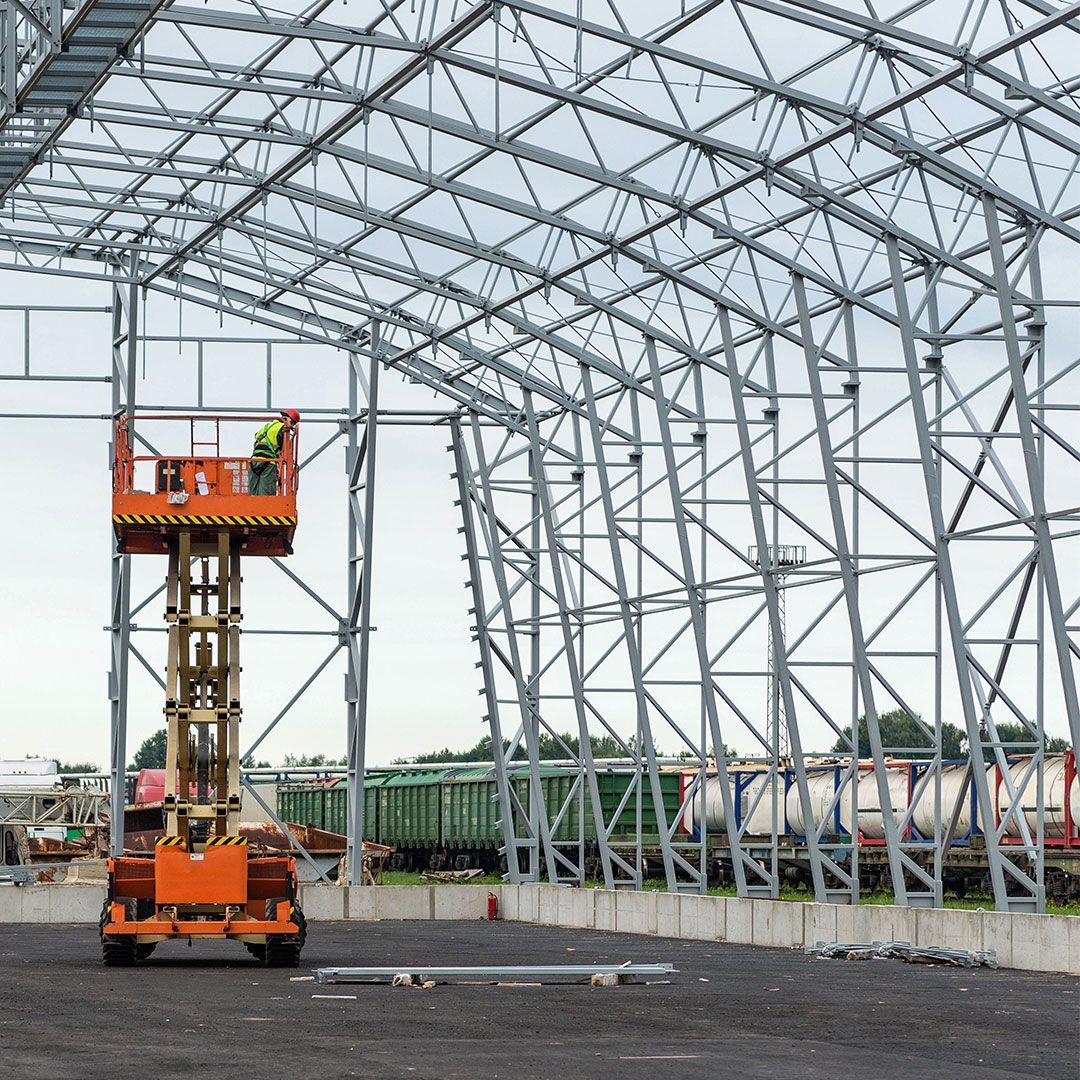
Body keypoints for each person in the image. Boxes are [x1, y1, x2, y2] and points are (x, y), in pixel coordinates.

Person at [248, 409, 299, 495]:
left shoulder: (268, 426)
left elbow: (256, 437)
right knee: (267, 499)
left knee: (253, 496)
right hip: (269, 463)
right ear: (288, 419)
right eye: (292, 423)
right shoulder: (282, 428)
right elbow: (285, 449)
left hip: (254, 462)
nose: (291, 426)